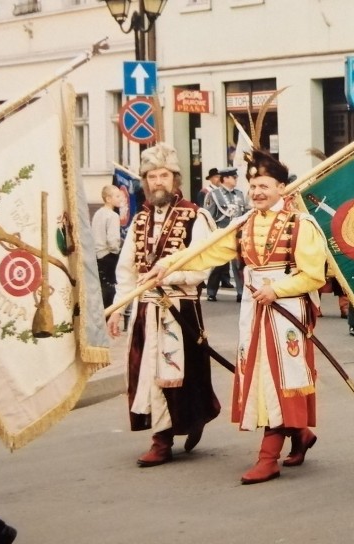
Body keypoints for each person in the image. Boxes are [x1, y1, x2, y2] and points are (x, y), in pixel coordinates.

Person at [148, 149, 327, 485]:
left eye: (264, 185)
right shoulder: (242, 224)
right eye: (253, 185)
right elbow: (205, 253)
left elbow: (314, 274)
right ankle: (300, 433)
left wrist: (278, 289)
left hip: (286, 313)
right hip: (253, 310)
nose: (257, 192)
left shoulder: (301, 224)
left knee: (281, 379)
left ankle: (268, 457)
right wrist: (167, 265)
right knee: (260, 376)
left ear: (281, 188)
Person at [105, 143, 221, 468]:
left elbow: (202, 267)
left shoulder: (197, 216)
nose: (158, 182)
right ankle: (162, 438)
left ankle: (185, 424)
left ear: (175, 178)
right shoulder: (140, 220)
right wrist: (118, 309)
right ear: (145, 180)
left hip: (180, 310)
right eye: (152, 176)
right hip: (147, 310)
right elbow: (126, 270)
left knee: (183, 376)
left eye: (164, 175)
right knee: (150, 374)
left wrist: (169, 276)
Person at [204, 166, 248, 302]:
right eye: (234, 177)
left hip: (237, 234)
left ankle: (241, 293)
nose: (236, 180)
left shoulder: (239, 194)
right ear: (226, 178)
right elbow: (208, 216)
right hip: (221, 233)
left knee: (239, 264)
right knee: (218, 264)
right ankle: (211, 291)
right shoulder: (214, 194)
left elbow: (244, 213)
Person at [92, 184, 124, 308]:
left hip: (97, 255)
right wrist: (117, 251)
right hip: (108, 256)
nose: (120, 199)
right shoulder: (113, 216)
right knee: (111, 290)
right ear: (108, 199)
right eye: (117, 196)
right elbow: (113, 241)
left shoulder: (98, 213)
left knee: (101, 289)